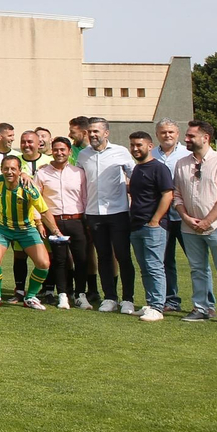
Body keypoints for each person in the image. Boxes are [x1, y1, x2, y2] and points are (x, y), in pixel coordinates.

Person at [172, 121, 217, 326]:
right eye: (187, 135)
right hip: (190, 227)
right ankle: (201, 308)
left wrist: (208, 221)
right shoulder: (182, 163)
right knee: (198, 269)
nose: (186, 139)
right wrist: (185, 217)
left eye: (191, 136)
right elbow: (177, 195)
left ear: (205, 138)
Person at [79, 117, 138, 314]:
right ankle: (110, 297)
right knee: (103, 257)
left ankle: (128, 299)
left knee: (123, 256)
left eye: (96, 131)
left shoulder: (121, 152)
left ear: (106, 133)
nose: (93, 135)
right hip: (94, 213)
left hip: (118, 212)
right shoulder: (83, 155)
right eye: (90, 131)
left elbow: (135, 176)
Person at [0, 155, 54, 310]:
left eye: (13, 169)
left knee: (43, 263)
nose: (9, 172)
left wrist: (56, 230)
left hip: (26, 229)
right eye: (6, 168)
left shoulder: (29, 186)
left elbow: (44, 210)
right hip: (1, 227)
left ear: (20, 170)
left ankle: (30, 297)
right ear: (1, 170)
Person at [126, 131, 175, 322]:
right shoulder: (138, 169)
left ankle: (157, 307)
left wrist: (155, 220)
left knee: (154, 266)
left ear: (149, 146)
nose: (135, 149)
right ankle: (150, 303)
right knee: (145, 267)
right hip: (136, 225)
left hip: (153, 226)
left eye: (139, 145)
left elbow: (167, 195)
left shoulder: (159, 168)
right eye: (132, 145)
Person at [36, 137, 90, 309]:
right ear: (52, 150)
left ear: (68, 151)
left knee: (81, 259)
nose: (59, 153)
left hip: (76, 221)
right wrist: (39, 222)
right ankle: (63, 295)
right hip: (55, 223)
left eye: (63, 150)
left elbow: (85, 197)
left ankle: (80, 295)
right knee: (60, 260)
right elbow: (37, 200)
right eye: (56, 149)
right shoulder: (42, 173)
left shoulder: (78, 172)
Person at [150, 120, 191, 312]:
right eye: (163, 132)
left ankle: (205, 303)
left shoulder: (187, 155)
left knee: (196, 261)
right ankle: (171, 300)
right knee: (165, 261)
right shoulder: (152, 155)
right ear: (157, 134)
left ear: (178, 134)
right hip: (162, 217)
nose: (167, 135)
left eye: (171, 132)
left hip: (185, 216)